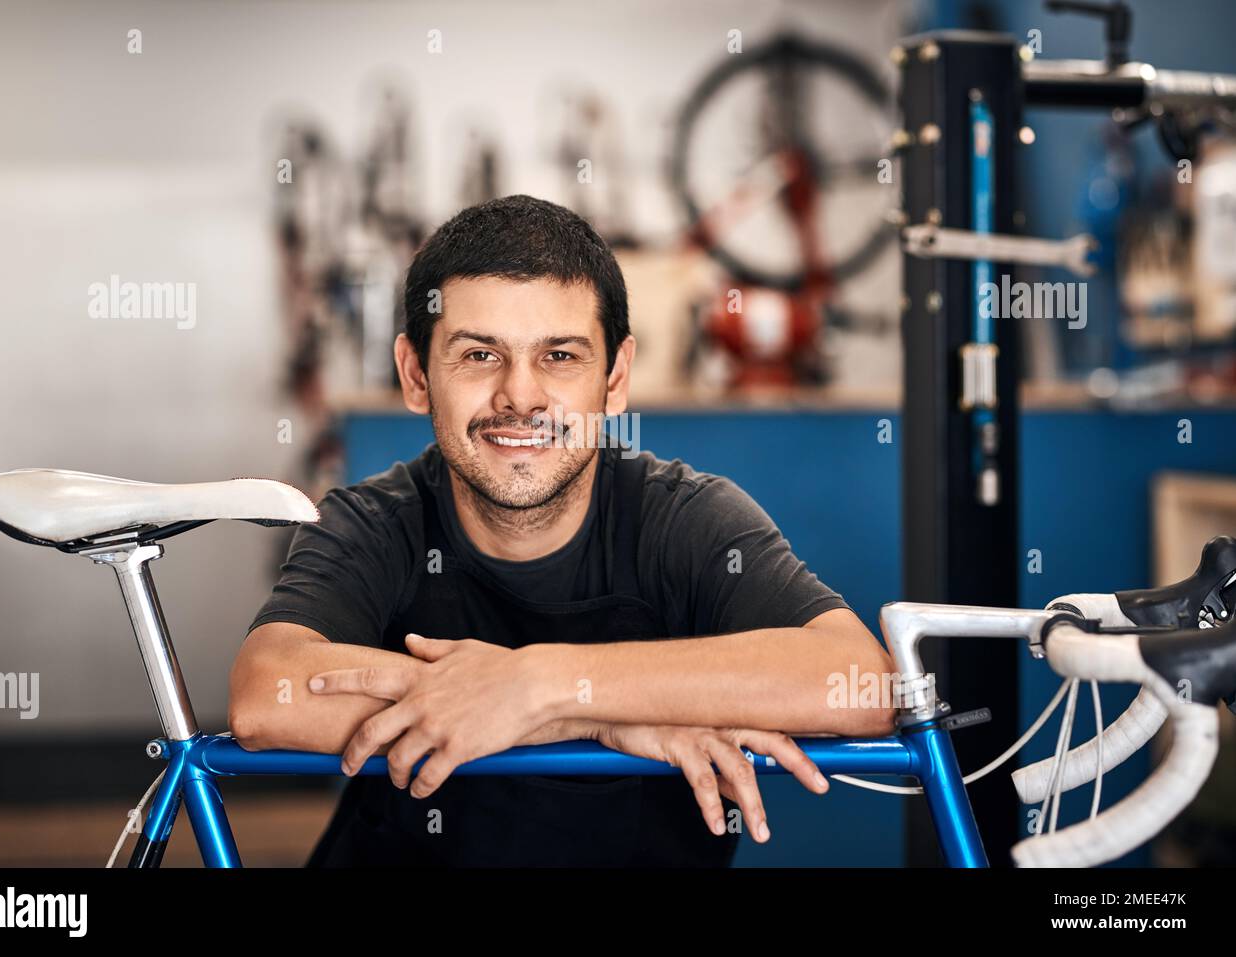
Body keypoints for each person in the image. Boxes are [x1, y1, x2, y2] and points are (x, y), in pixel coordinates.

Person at [228, 194, 895, 867]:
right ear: (415, 374)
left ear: (616, 376)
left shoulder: (685, 519)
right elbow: (266, 696)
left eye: (561, 356)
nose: (521, 395)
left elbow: (860, 682)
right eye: (480, 354)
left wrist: (540, 684)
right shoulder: (371, 523)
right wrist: (603, 717)